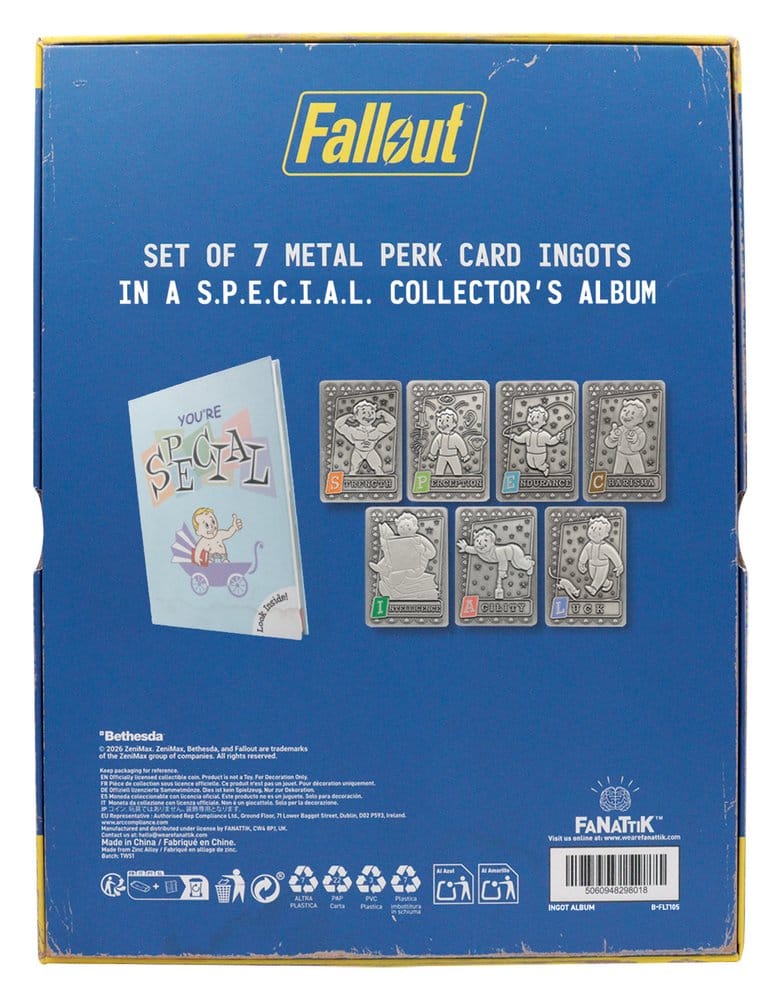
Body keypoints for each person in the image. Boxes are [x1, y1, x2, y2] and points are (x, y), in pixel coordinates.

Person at [370, 512, 438, 600]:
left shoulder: (419, 539)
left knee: (397, 574)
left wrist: (423, 551)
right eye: (401, 527)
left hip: (416, 568)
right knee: (390, 554)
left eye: (408, 528)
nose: (405, 530)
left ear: (415, 528)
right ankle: (380, 567)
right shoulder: (397, 540)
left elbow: (432, 553)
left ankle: (391, 584)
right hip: (401, 563)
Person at [457, 526, 534, 599]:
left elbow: (503, 560)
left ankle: (530, 564)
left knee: (519, 564)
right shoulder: (479, 551)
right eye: (477, 541)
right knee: (516, 565)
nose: (480, 543)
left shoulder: (498, 551)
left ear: (492, 543)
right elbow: (472, 549)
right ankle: (526, 559)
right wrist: (465, 547)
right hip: (510, 555)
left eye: (485, 540)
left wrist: (502, 572)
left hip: (514, 551)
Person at [334, 399, 396, 475]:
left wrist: (384, 413)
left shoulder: (377, 430)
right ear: (356, 416)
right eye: (364, 412)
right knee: (353, 470)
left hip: (370, 452)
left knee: (378, 469)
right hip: (357, 452)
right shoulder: (353, 431)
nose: (369, 415)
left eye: (372, 412)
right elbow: (338, 426)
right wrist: (347, 416)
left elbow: (392, 424)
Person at [511, 404, 564, 476]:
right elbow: (520, 439)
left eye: (537, 417)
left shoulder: (544, 434)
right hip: (529, 453)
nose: (532, 419)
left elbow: (551, 441)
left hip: (540, 454)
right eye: (530, 416)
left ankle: (544, 468)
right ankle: (541, 466)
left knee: (538, 465)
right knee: (531, 464)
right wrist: (514, 437)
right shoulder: (527, 433)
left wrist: (557, 438)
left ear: (544, 422)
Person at [577, 516, 624, 597]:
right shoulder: (588, 545)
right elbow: (585, 554)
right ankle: (607, 584)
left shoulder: (605, 547)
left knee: (598, 578)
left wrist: (619, 566)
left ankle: (593, 589)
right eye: (592, 528)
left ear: (606, 534)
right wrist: (581, 563)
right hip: (591, 564)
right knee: (594, 577)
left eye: (599, 529)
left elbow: (614, 555)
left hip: (602, 566)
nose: (594, 531)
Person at [604, 398, 647, 474]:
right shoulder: (619, 430)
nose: (626, 414)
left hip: (634, 456)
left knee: (639, 473)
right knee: (617, 473)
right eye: (624, 410)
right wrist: (612, 438)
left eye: (632, 413)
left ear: (640, 420)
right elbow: (609, 444)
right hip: (620, 454)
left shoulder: (640, 432)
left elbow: (639, 447)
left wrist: (635, 442)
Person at [428, 407, 468, 475]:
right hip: (441, 456)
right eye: (440, 420)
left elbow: (461, 445)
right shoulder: (439, 437)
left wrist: (465, 455)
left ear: (454, 424)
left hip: (453, 456)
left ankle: (458, 478)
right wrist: (432, 454)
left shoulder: (455, 437)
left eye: (447, 420)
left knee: (457, 471)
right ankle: (438, 479)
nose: (442, 423)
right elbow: (435, 445)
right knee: (439, 471)